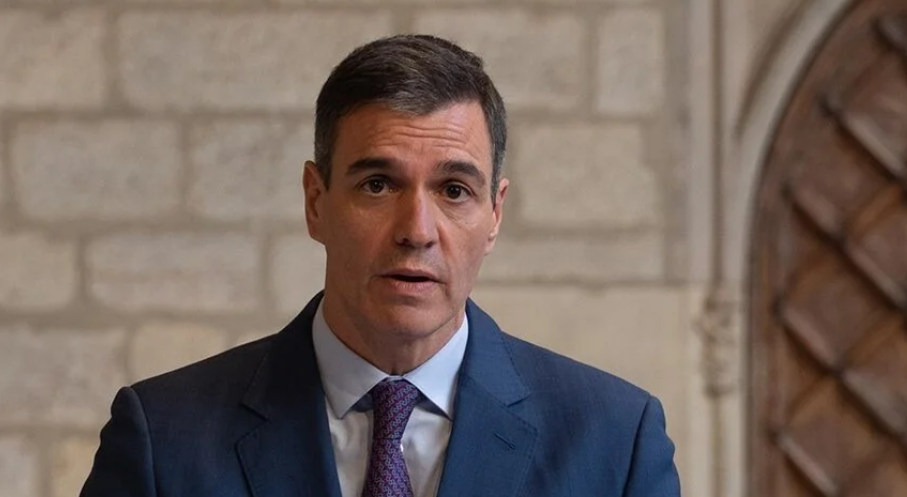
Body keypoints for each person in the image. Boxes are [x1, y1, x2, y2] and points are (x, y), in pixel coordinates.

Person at [81, 34, 681, 497]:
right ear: (316, 202)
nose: (416, 230)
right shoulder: (164, 439)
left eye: (454, 190)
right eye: (377, 184)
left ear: (494, 213)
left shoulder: (616, 442)